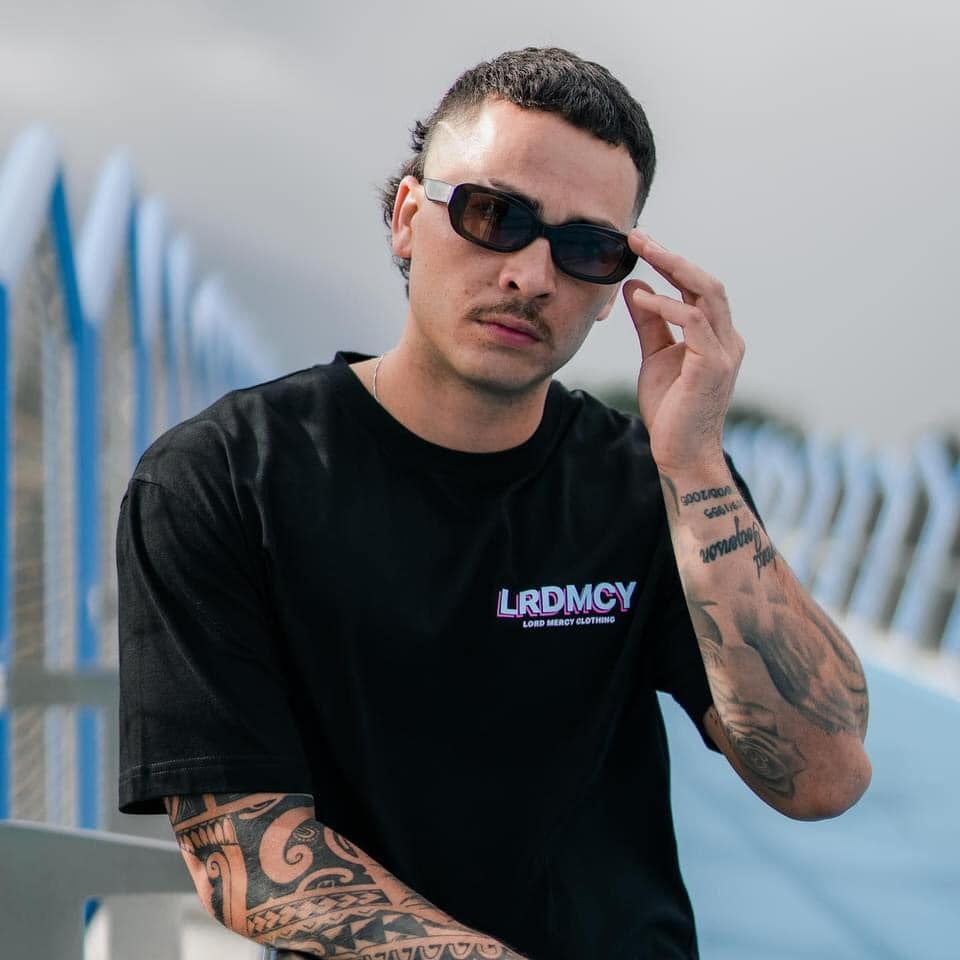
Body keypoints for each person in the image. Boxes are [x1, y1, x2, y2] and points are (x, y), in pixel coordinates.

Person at [117, 47, 871, 960]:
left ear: (612, 292)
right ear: (406, 218)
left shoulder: (654, 482)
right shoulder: (222, 479)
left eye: (587, 246)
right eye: (493, 215)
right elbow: (249, 855)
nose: (532, 275)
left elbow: (821, 776)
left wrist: (698, 461)